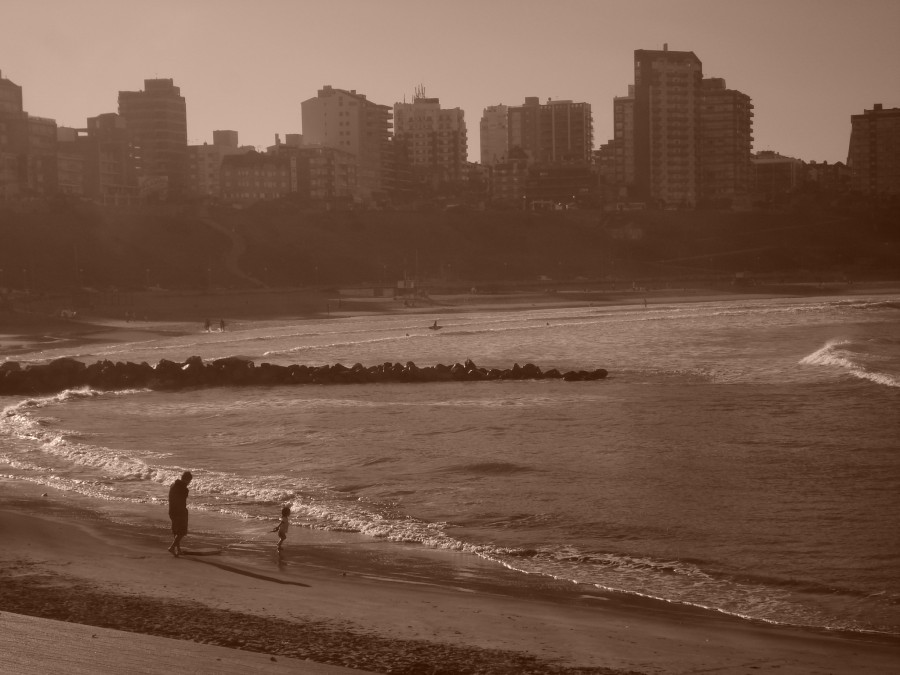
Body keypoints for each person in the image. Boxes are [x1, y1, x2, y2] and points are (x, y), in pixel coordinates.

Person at [167, 471, 193, 556]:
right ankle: (172, 547)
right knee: (182, 532)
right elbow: (182, 501)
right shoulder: (184, 489)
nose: (189, 483)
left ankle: (178, 549)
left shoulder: (173, 485)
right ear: (187, 480)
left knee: (176, 531)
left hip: (172, 510)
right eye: (190, 481)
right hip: (180, 511)